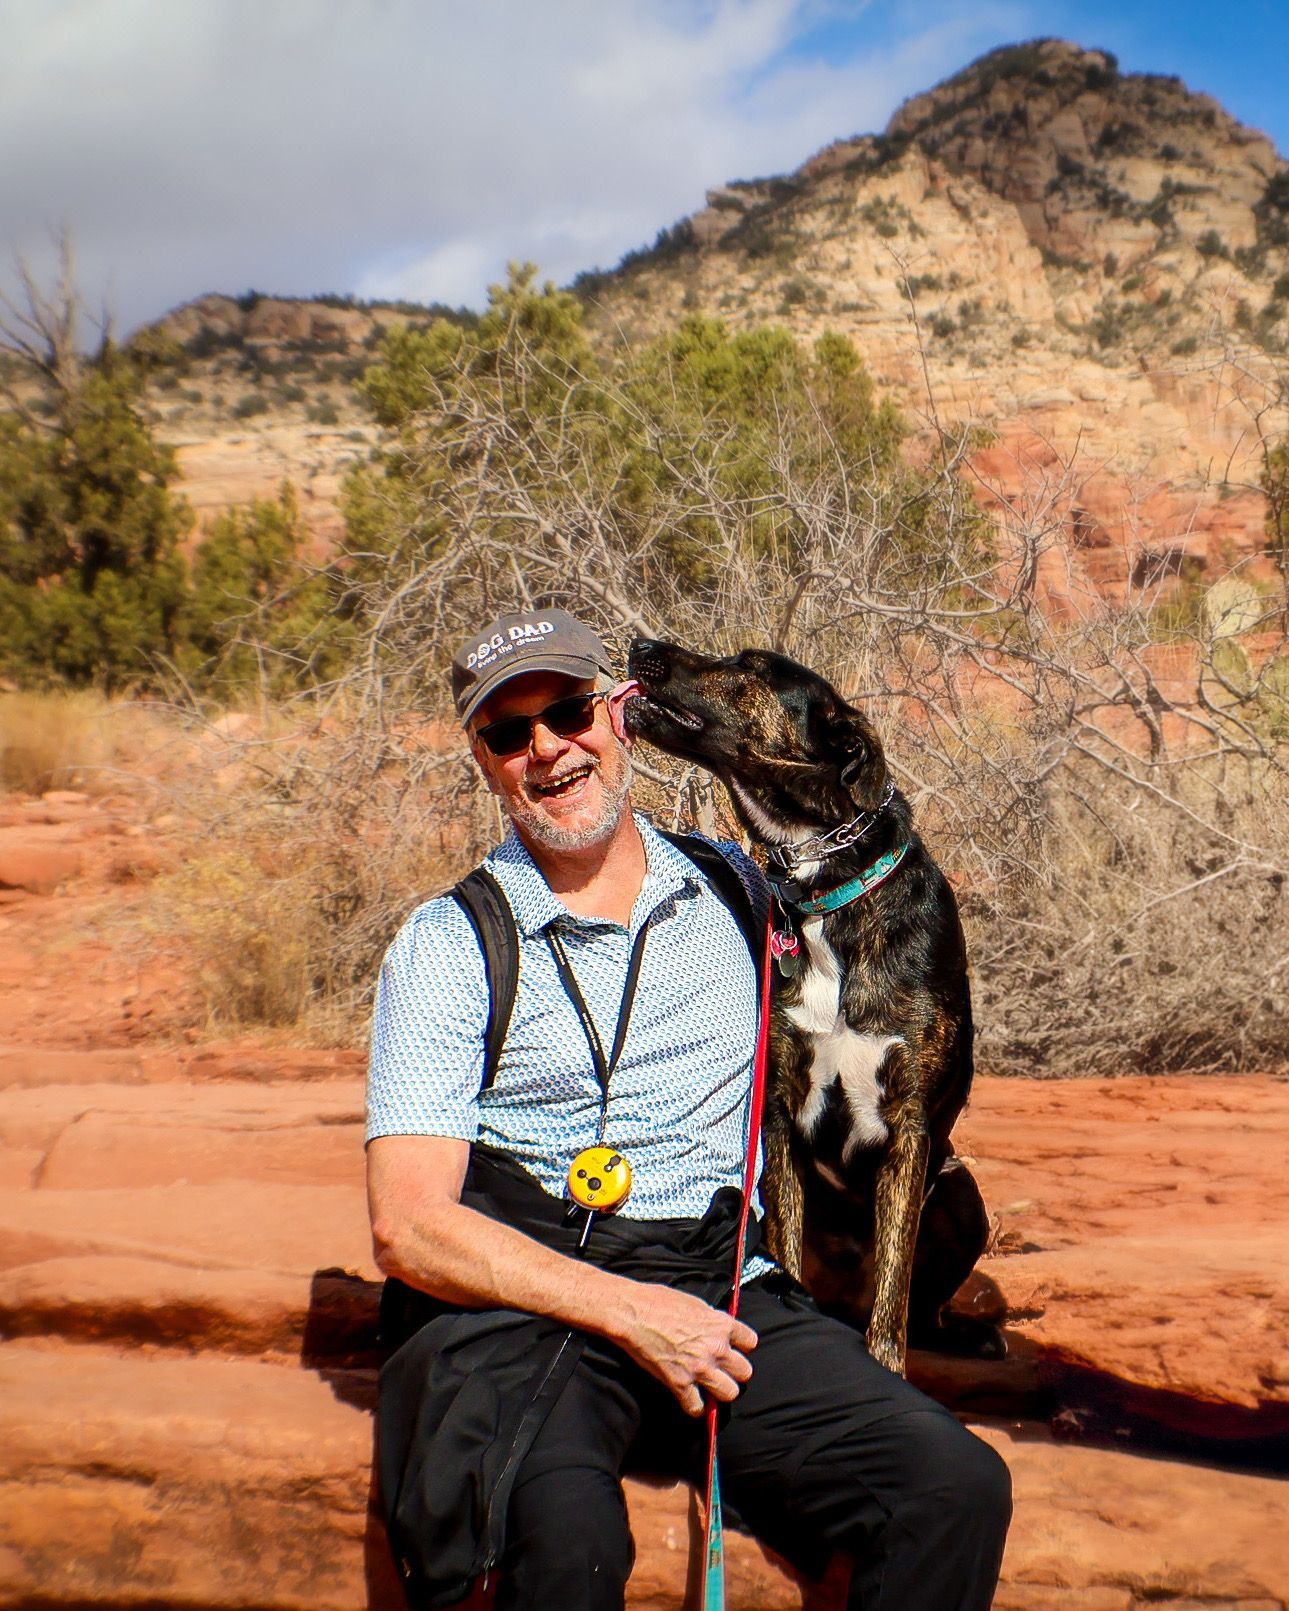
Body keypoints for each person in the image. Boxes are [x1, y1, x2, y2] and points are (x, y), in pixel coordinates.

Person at [365, 607, 1011, 1611]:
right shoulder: (447, 947)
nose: (547, 750)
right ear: (485, 761)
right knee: (566, 1545)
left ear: (618, 715)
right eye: (506, 732)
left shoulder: (738, 894)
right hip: (531, 1304)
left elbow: (860, 867)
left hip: (721, 1286)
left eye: (569, 711)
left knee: (954, 1487)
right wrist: (630, 1313)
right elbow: (408, 1230)